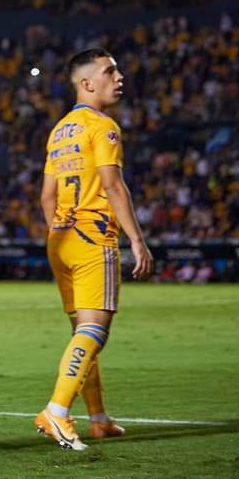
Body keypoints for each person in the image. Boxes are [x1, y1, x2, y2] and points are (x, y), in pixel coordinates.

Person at [35, 48, 152, 450]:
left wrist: (60, 230)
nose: (119, 77)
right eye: (109, 71)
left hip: (61, 240)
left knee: (81, 331)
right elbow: (113, 185)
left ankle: (99, 419)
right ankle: (57, 410)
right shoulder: (103, 127)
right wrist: (136, 239)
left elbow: (46, 197)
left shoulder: (60, 129)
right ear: (87, 83)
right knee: (94, 331)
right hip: (92, 236)